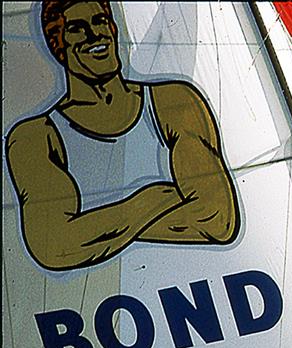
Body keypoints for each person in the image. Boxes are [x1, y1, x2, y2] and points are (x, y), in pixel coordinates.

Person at [5, 0, 239, 272]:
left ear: (114, 28)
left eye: (100, 22)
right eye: (77, 29)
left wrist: (89, 231)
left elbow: (218, 220)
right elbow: (54, 247)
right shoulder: (34, 137)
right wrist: (153, 197)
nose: (95, 35)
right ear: (58, 47)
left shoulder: (173, 102)